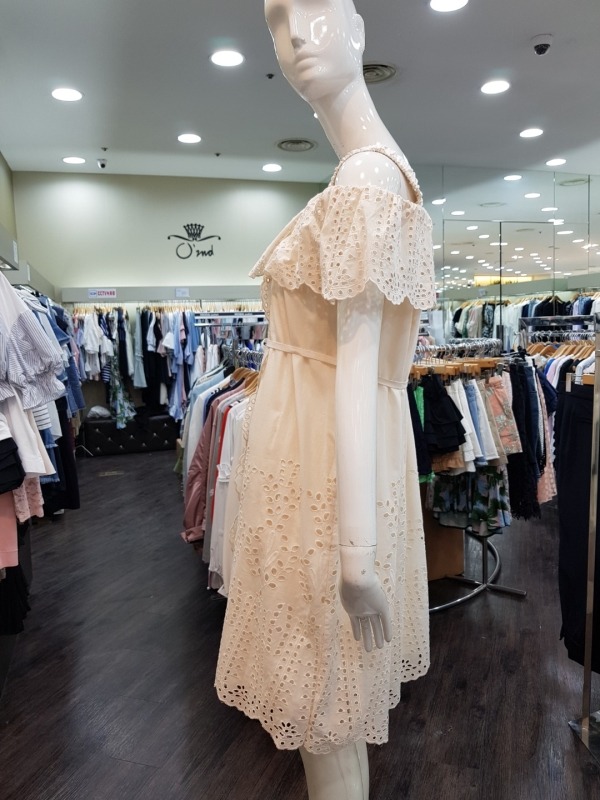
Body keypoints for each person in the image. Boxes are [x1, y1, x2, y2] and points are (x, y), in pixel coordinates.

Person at [215, 1, 436, 797]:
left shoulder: (367, 180)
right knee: (334, 705)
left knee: (322, 704)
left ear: (358, 23)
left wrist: (355, 556)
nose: (298, 35)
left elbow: (357, 371)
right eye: (278, 20)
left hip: (322, 473)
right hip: (318, 463)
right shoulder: (373, 174)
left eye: (314, 8)